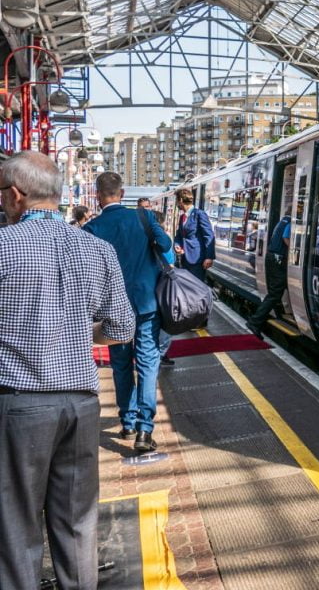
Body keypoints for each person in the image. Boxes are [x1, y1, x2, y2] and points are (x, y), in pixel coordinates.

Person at [0, 151, 135, 590]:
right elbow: (121, 326)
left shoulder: (3, 248)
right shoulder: (97, 249)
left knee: (16, 527)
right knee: (78, 524)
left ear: (16, 196)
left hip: (19, 405)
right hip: (81, 405)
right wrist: (76, 334)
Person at [85, 172, 174, 453]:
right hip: (147, 303)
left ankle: (127, 422)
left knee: (121, 365)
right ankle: (145, 432)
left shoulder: (92, 228)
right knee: (148, 363)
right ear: (122, 194)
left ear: (97, 197)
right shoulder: (143, 217)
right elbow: (167, 246)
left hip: (113, 309)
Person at [246, 213, 291, 339]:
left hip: (271, 257)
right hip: (277, 259)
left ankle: (258, 321)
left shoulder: (282, 221)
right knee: (275, 294)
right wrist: (294, 249)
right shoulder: (290, 222)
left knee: (276, 291)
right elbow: (286, 237)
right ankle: (254, 322)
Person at [152, 211, 178, 366]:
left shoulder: (140, 238)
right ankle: (160, 355)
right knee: (165, 322)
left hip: (145, 287)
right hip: (163, 287)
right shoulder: (164, 241)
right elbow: (171, 264)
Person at [173, 187, 215, 281]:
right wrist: (177, 244)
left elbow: (209, 236)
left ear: (180, 200)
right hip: (185, 259)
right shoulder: (182, 217)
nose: (176, 204)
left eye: (176, 201)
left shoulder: (199, 214)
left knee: (197, 287)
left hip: (197, 259)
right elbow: (179, 235)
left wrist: (209, 257)